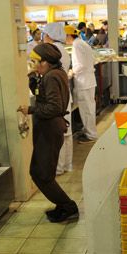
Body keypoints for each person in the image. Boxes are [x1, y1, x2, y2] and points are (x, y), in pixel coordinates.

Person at [18, 43, 78, 222]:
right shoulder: (54, 73)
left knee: (40, 174)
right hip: (50, 129)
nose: (34, 64)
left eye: (36, 61)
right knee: (44, 172)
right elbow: (42, 95)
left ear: (46, 61)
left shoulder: (51, 77)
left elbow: (53, 107)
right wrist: (33, 78)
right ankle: (62, 205)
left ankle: (68, 207)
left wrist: (30, 109)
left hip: (49, 129)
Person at [42, 22, 73, 176]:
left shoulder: (52, 51)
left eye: (44, 35)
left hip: (56, 95)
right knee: (67, 132)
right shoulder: (64, 50)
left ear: (49, 35)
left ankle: (58, 167)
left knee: (57, 132)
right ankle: (67, 164)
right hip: (66, 94)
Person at [65, 25, 98, 144]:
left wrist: (71, 71)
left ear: (69, 35)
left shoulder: (76, 45)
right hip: (88, 80)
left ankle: (91, 135)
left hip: (84, 82)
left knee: (86, 110)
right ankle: (89, 131)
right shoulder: (82, 43)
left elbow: (80, 65)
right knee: (89, 108)